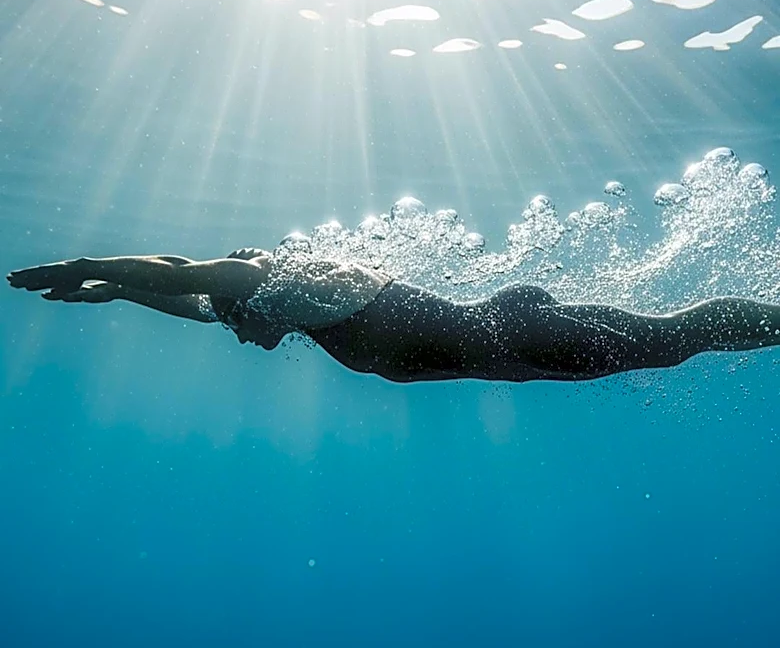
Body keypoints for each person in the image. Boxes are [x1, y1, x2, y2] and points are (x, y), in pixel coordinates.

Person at [7, 247, 780, 383]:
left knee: (683, 335)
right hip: (513, 356)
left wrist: (89, 267)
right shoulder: (282, 313)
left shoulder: (279, 278)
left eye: (232, 314)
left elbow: (189, 273)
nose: (238, 332)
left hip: (519, 333)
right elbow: (186, 298)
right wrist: (117, 295)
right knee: (677, 352)